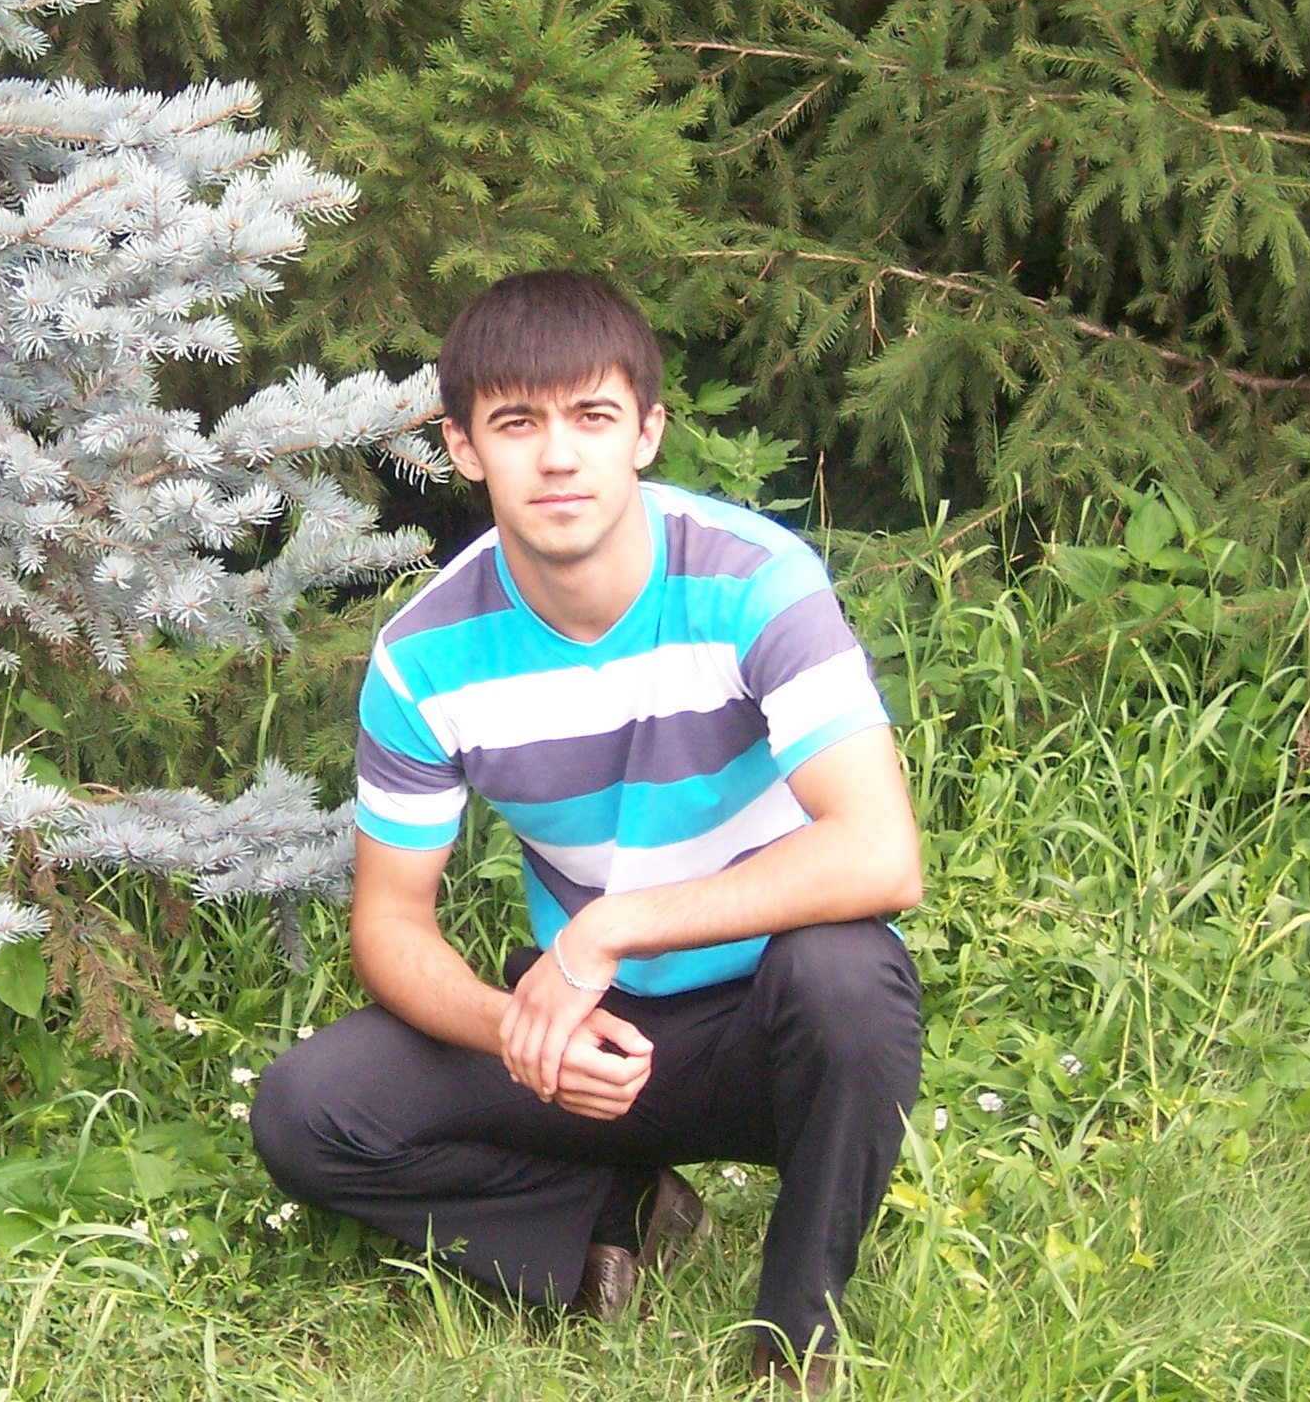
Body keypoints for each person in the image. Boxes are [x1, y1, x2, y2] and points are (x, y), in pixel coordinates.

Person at [250, 271, 924, 1394]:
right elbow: (390, 926)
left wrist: (608, 929)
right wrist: (518, 1028)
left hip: (771, 1025)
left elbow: (879, 853)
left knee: (848, 978)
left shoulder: (755, 581)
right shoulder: (423, 657)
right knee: (307, 1112)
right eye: (517, 423)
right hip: (582, 1027)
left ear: (645, 434)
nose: (557, 457)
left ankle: (794, 1342)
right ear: (463, 448)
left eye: (592, 417)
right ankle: (612, 1221)